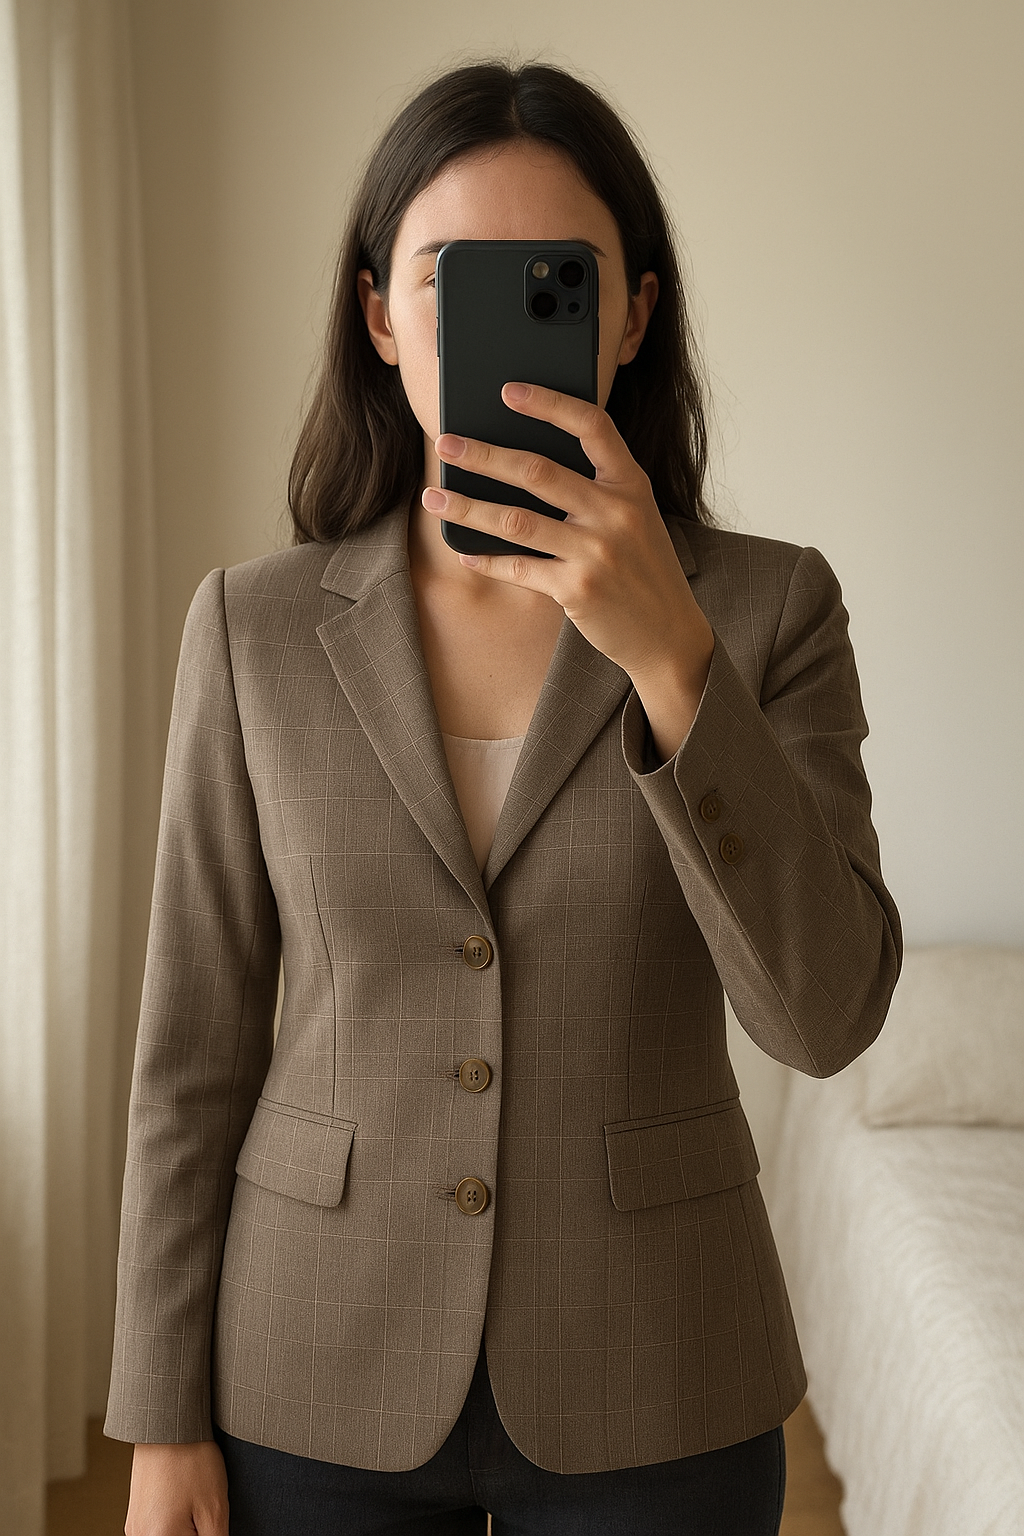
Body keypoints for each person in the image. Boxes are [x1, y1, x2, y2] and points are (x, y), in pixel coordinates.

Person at [106, 59, 902, 1536]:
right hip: (311, 1359)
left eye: (554, 282)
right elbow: (191, 1054)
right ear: (381, 316)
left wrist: (674, 658)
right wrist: (157, 1418)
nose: (504, 324)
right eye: (448, 277)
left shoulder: (771, 610)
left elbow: (826, 1015)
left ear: (631, 314)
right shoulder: (253, 627)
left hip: (656, 1364)